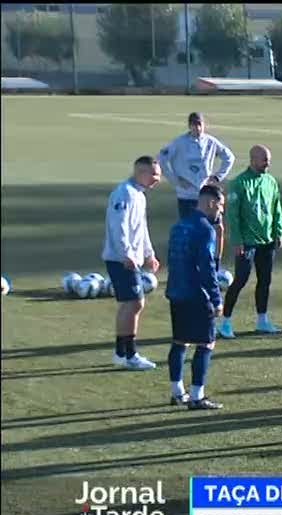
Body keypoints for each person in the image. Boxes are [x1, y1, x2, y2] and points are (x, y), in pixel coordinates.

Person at [164, 185, 225, 410]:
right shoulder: (204, 229)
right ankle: (197, 395)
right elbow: (206, 268)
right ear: (210, 203)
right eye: (220, 206)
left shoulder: (178, 226)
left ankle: (177, 392)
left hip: (176, 291)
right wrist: (216, 299)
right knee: (206, 343)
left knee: (179, 342)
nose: (220, 211)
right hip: (197, 294)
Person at [102, 156, 162, 370]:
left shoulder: (139, 195)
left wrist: (149, 253)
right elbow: (119, 227)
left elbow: (141, 227)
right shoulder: (125, 193)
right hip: (122, 259)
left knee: (129, 303)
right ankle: (130, 354)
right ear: (141, 173)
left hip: (130, 258)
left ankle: (120, 352)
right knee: (136, 303)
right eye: (154, 174)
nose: (157, 179)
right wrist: (126, 254)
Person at [219, 145, 282, 338]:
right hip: (247, 242)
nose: (267, 163)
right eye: (264, 160)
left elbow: (276, 208)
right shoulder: (239, 183)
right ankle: (225, 322)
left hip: (267, 240)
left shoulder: (271, 181)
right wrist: (237, 240)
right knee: (240, 280)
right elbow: (233, 215)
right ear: (253, 159)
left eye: (268, 159)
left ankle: (262, 319)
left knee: (265, 280)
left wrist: (278, 232)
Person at [158, 112, 235, 265]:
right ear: (189, 126)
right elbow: (161, 159)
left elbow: (229, 157)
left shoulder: (210, 142)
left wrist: (217, 177)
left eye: (200, 124)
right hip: (187, 196)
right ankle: (188, 262)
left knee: (217, 227)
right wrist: (176, 180)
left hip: (206, 195)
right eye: (194, 125)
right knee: (190, 230)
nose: (198, 128)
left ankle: (215, 261)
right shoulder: (179, 143)